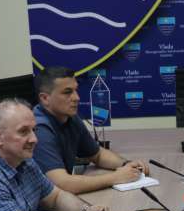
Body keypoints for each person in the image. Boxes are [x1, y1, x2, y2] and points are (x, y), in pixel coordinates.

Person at [0, 98, 112, 211]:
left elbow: (55, 197)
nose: (34, 139)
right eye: (23, 131)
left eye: (34, 130)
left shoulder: (24, 159)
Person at [32, 66, 150, 194]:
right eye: (67, 92)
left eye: (75, 90)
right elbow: (62, 183)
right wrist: (116, 177)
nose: (76, 98)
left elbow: (98, 155)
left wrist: (126, 164)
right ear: (45, 98)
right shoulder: (38, 129)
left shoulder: (70, 118)